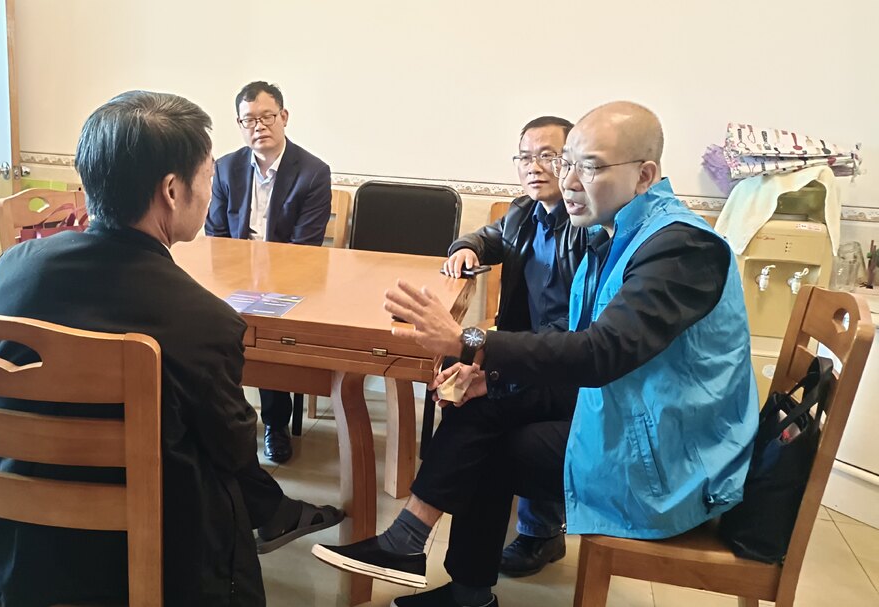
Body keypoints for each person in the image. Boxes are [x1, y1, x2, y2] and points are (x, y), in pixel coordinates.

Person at [313, 101, 758, 607]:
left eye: (589, 167)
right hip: (627, 409)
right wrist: (490, 374)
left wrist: (469, 342)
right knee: (481, 401)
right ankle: (420, 553)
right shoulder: (613, 232)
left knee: (495, 448)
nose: (568, 181)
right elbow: (584, 351)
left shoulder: (680, 247)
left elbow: (602, 353)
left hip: (670, 454)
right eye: (567, 164)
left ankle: (451, 576)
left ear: (644, 175)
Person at [0, 91, 342, 607]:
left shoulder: (14, 268)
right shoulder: (204, 320)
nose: (211, 191)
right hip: (150, 568)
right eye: (208, 177)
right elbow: (234, 449)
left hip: (25, 561)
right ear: (172, 190)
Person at [443, 115, 585, 578]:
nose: (534, 167)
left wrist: (498, 359)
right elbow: (489, 237)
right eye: (525, 157)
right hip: (527, 349)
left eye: (548, 156)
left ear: (572, 161)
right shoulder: (525, 211)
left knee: (488, 407)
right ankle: (455, 523)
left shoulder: (585, 224)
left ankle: (540, 530)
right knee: (457, 374)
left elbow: (574, 330)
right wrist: (466, 247)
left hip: (566, 363)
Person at [206, 81, 332, 463]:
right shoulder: (225, 168)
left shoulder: (312, 172)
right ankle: (223, 422)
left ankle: (276, 425)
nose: (259, 126)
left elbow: (303, 248)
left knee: (269, 331)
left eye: (267, 117)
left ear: (284, 117)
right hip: (233, 276)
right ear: (240, 125)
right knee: (204, 324)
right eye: (249, 120)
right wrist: (235, 280)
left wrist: (261, 285)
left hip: (288, 279)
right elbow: (215, 234)